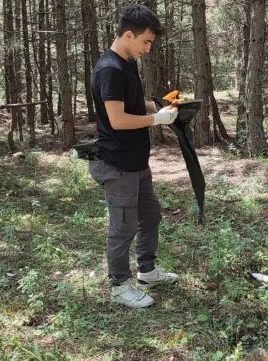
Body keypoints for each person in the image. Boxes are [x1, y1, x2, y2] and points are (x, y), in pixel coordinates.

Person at [88, 5, 179, 308]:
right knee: (123, 227)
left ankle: (148, 270)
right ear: (128, 35)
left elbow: (133, 105)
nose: (148, 49)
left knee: (150, 215)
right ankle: (119, 285)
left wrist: (160, 109)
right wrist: (157, 121)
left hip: (137, 162)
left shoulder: (127, 62)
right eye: (146, 42)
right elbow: (118, 120)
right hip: (117, 164)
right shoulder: (109, 69)